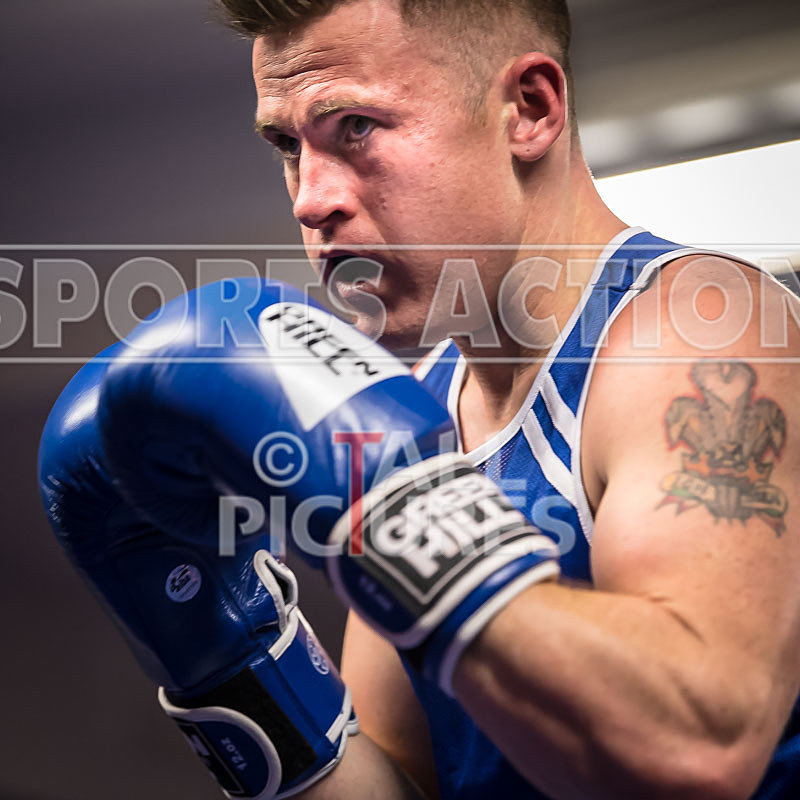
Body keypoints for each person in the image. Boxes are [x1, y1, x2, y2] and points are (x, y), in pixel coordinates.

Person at [39, 1, 800, 798]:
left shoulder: (697, 335)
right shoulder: (415, 405)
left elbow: (701, 746)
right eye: (286, 144)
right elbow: (402, 781)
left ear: (529, 109)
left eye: (356, 127)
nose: (310, 198)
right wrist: (226, 659)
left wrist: (397, 517)